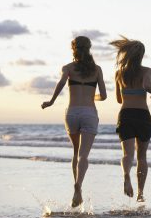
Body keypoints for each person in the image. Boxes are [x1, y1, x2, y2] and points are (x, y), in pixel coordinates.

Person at [41, 36, 107, 207]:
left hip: (72, 112)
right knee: (84, 155)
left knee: (75, 152)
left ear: (73, 49)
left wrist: (51, 101)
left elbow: (61, 83)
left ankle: (77, 189)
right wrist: (91, 96)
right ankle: (79, 185)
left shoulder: (68, 68)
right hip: (89, 112)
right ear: (89, 48)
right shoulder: (97, 69)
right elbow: (104, 96)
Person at [110, 36, 151, 202]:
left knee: (127, 154)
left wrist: (128, 91)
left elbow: (119, 100)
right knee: (142, 157)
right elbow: (146, 84)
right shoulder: (147, 71)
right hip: (142, 115)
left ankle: (126, 176)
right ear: (141, 55)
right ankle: (140, 193)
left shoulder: (119, 74)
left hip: (125, 115)